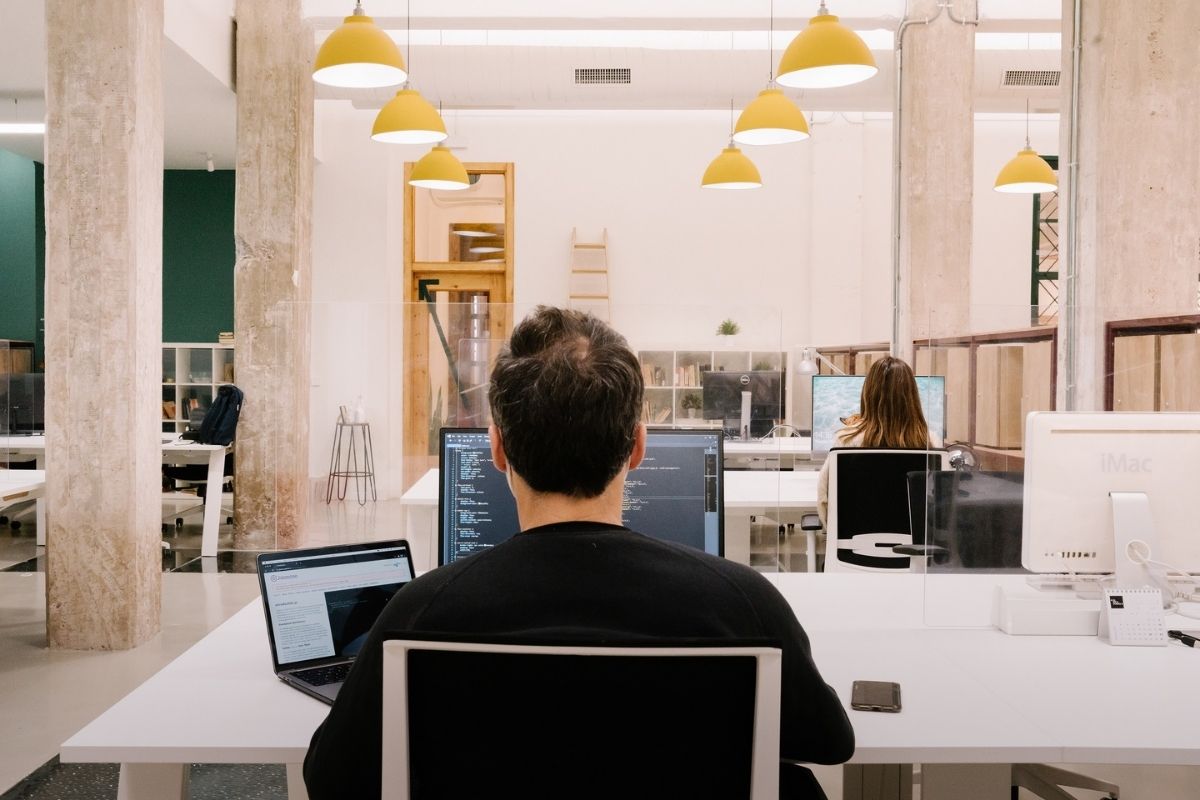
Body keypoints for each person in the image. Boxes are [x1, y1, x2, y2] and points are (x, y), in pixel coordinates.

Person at [304, 306, 854, 799]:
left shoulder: (419, 614)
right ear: (638, 446)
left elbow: (332, 777)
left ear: (497, 448)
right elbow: (829, 742)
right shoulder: (743, 604)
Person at [816, 355, 941, 526]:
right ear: (912, 396)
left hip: (853, 545)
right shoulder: (930, 442)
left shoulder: (847, 439)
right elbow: (938, 500)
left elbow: (825, 497)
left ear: (868, 393)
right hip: (912, 548)